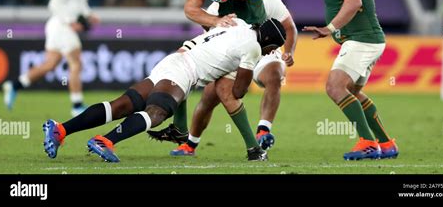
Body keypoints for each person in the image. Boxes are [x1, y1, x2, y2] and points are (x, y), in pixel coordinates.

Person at [42, 18, 286, 162]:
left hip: (173, 60)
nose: (268, 53)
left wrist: (181, 128)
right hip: (184, 72)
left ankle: (61, 129)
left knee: (120, 106)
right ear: (269, 43)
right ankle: (105, 140)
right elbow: (240, 91)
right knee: (157, 114)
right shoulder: (253, 48)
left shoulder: (238, 24)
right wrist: (238, 72)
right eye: (272, 49)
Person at [148, 0, 298, 156]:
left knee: (274, 77)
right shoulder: (220, 3)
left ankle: (263, 130)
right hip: (232, 52)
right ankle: (190, 143)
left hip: (265, 48)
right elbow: (208, 28)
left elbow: (289, 27)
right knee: (209, 98)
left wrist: (289, 52)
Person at [303, 0, 398, 160]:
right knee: (353, 91)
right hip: (367, 40)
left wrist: (330, 28)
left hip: (361, 40)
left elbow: (353, 2)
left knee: (335, 87)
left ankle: (367, 143)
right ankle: (386, 143)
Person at [2, 0, 99, 117]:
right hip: (62, 26)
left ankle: (15, 85)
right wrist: (70, 22)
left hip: (55, 27)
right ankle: (77, 105)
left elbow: (78, 3)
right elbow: (53, 4)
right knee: (76, 64)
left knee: (50, 64)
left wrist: (89, 14)